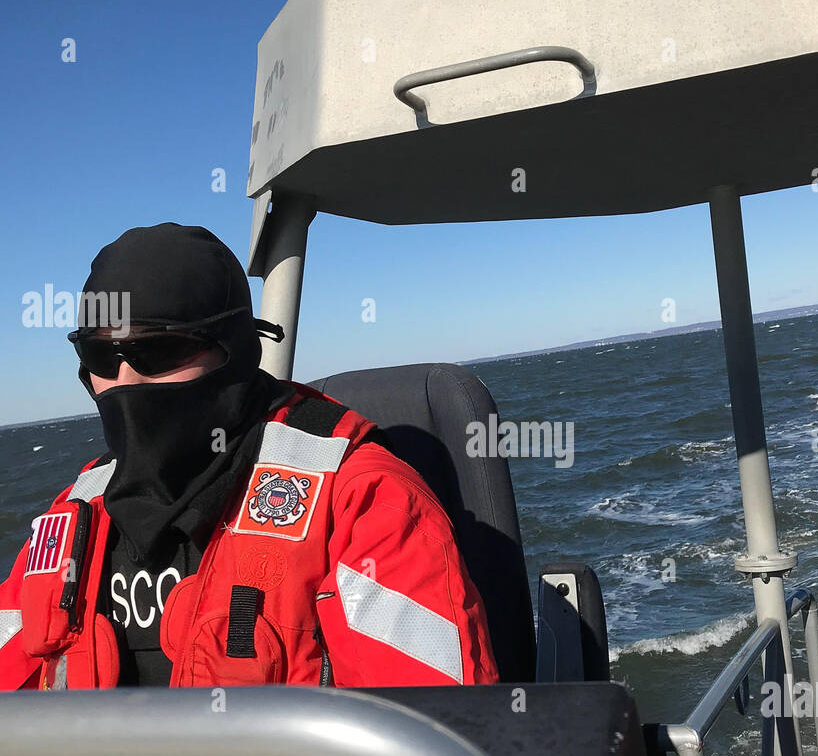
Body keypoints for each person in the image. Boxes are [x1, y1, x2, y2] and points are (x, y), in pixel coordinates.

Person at [0, 224, 499, 690]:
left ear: (234, 350)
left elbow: (434, 738)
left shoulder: (362, 501)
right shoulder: (71, 515)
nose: (125, 382)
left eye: (158, 352)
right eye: (100, 357)